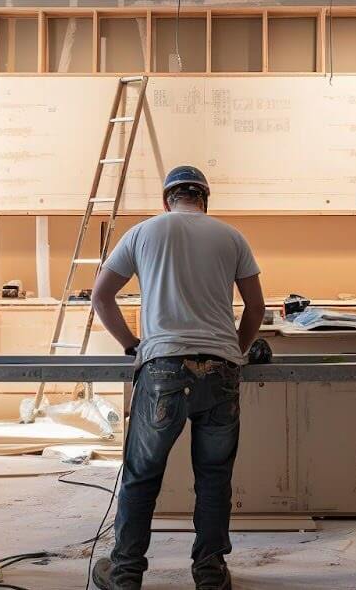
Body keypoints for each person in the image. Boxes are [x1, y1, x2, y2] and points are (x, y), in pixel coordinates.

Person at [88, 165, 266, 590]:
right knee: (213, 477)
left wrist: (133, 344)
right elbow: (256, 308)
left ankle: (127, 573)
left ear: (167, 200)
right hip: (220, 370)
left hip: (163, 368)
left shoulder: (143, 232)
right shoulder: (231, 236)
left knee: (142, 474)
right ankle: (209, 573)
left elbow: (101, 295)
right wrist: (234, 351)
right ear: (205, 199)